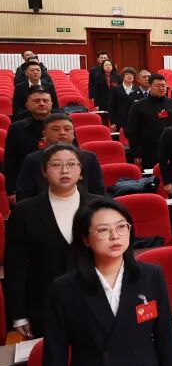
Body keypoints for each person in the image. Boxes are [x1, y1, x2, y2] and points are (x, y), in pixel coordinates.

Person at [41, 198, 172, 366]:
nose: (115, 236)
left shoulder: (150, 277)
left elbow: (166, 341)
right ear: (85, 239)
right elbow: (54, 359)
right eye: (103, 230)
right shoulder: (65, 289)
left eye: (121, 227)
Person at [5, 143, 104, 339]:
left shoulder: (101, 206)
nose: (64, 171)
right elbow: (15, 266)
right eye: (56, 165)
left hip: (98, 299)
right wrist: (19, 314)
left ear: (81, 171)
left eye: (72, 164)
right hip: (45, 303)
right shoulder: (24, 212)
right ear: (44, 171)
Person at [17, 114, 105, 201]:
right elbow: (24, 195)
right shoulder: (32, 159)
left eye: (67, 129)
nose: (62, 133)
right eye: (56, 129)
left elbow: (98, 192)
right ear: (44, 134)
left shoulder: (89, 158)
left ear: (73, 133)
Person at [5, 87, 53, 201]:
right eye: (36, 101)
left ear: (51, 104)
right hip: (27, 183)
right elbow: (11, 161)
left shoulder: (63, 125)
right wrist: (12, 191)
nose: (42, 103)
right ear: (27, 105)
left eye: (45, 100)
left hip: (59, 182)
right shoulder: (17, 128)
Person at [127, 73, 172, 169]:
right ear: (150, 86)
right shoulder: (138, 105)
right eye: (158, 86)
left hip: (171, 149)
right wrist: (136, 153)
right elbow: (132, 130)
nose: (161, 88)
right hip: (148, 150)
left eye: (163, 86)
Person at [108, 67, 141, 131]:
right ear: (123, 76)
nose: (129, 76)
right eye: (127, 74)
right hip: (119, 120)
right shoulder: (115, 89)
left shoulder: (138, 89)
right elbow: (111, 107)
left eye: (132, 75)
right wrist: (113, 122)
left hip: (134, 120)